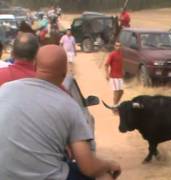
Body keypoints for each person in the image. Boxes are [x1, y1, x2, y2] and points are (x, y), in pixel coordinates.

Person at [0, 45, 121, 180]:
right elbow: (88, 167)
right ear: (65, 73)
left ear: (34, 67)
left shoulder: (5, 90)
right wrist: (110, 164)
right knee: (104, 176)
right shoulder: (69, 106)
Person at [105, 42, 124, 107]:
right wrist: (107, 74)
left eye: (119, 46)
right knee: (116, 92)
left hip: (120, 76)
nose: (118, 47)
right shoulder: (112, 54)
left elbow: (120, 64)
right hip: (114, 76)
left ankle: (116, 105)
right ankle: (115, 107)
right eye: (116, 46)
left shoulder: (121, 54)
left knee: (121, 91)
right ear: (114, 46)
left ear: (121, 46)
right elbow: (106, 65)